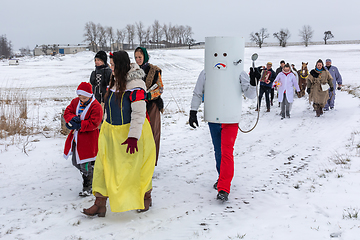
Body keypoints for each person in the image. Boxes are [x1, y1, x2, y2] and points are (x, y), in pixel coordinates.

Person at [82, 51, 156, 217]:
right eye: (111, 64)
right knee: (103, 167)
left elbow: (138, 114)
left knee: (136, 169)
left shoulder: (136, 84)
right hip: (111, 132)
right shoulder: (114, 80)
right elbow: (109, 106)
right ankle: (99, 203)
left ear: (121, 65)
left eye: (114, 65)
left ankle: (146, 196)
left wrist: (133, 137)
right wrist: (104, 125)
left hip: (131, 134)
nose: (111, 67)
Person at [189, 68, 257, 202]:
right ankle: (222, 178)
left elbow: (250, 94)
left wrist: (254, 83)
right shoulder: (206, 72)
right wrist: (193, 111)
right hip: (214, 118)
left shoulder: (238, 72)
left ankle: (224, 189)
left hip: (230, 119)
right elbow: (198, 93)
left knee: (226, 152)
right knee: (218, 152)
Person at [63, 82, 103, 197]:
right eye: (80, 97)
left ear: (90, 95)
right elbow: (68, 112)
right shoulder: (76, 102)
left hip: (88, 139)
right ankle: (93, 173)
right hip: (76, 138)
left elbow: (94, 123)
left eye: (84, 97)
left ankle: (88, 185)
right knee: (76, 162)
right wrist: (71, 120)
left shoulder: (96, 106)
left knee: (84, 163)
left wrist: (80, 125)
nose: (82, 100)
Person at [134, 47, 164, 166]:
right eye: (136, 57)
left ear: (145, 57)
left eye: (140, 57)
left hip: (152, 106)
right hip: (137, 106)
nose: (138, 60)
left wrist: (148, 95)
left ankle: (151, 162)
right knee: (138, 134)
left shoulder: (154, 70)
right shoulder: (133, 70)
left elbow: (160, 88)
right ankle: (139, 162)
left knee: (152, 134)